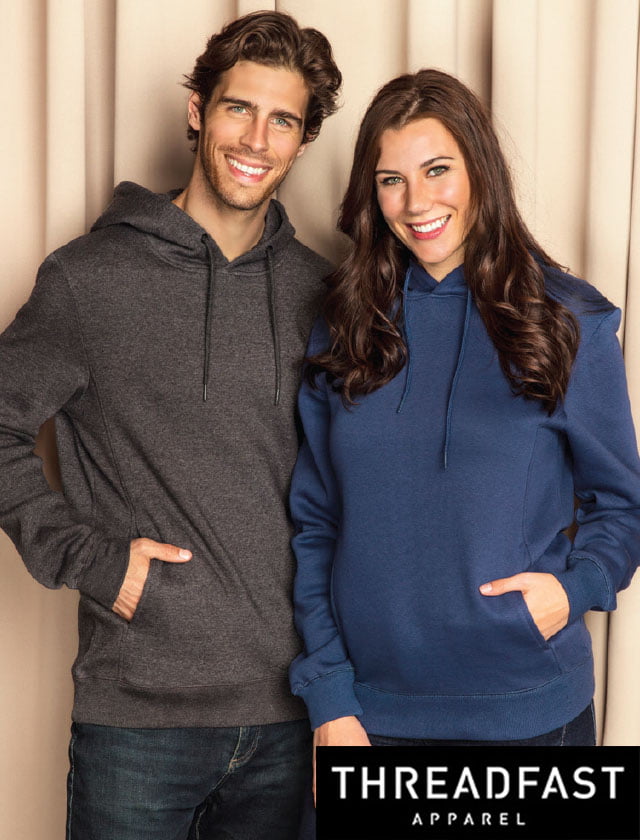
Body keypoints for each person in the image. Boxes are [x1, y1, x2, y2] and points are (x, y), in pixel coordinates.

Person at [0, 11, 341, 839]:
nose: (255, 138)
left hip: (292, 717)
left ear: (303, 142)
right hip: (137, 722)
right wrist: (93, 561)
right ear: (198, 110)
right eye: (238, 108)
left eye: (283, 120)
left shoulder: (324, 294)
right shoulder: (88, 280)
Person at [289, 68, 640, 766]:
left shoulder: (567, 320)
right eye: (391, 180)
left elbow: (622, 505)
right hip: (370, 714)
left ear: (479, 169)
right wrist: (329, 696)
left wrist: (573, 591)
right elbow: (315, 523)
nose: (416, 202)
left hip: (529, 710)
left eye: (437, 170)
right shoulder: (345, 325)